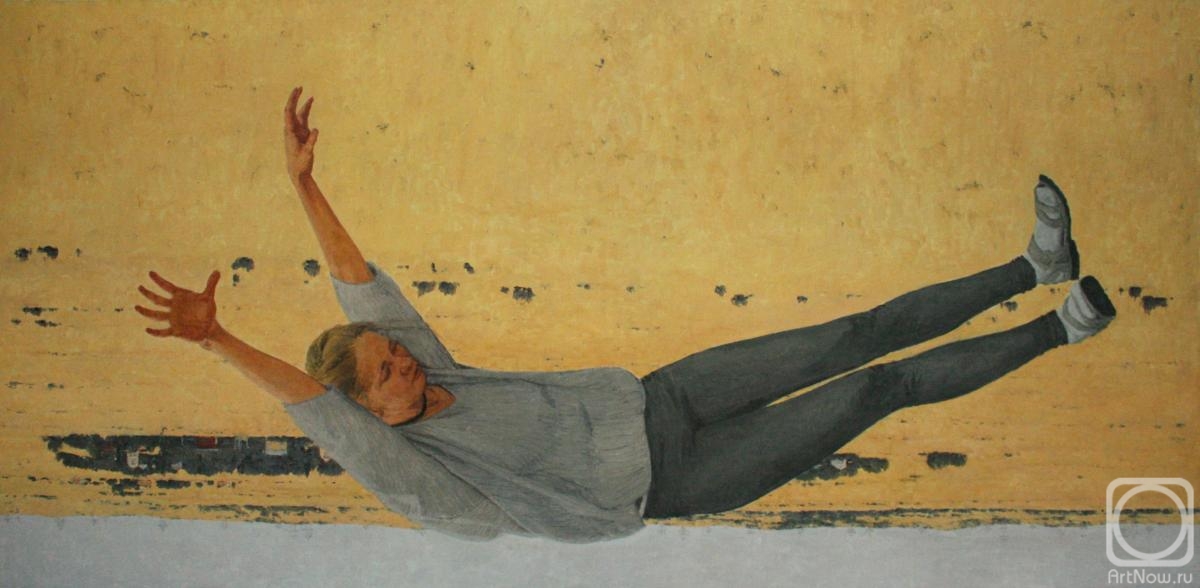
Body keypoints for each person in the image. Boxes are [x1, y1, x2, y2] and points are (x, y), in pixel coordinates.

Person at [134, 87, 1117, 542]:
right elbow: (321, 412)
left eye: (396, 353)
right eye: (388, 374)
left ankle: (1035, 266)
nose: (406, 365)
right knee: (878, 386)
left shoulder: (438, 374)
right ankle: (1060, 327)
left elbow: (360, 287)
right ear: (370, 412)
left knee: (851, 335)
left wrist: (306, 187)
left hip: (662, 397)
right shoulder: (426, 476)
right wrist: (218, 338)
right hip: (676, 480)